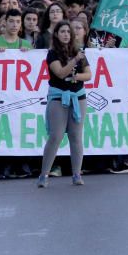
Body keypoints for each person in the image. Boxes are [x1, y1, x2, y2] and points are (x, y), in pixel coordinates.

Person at [38, 22, 91, 188]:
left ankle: (76, 173)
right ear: (56, 34)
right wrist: (75, 61)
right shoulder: (52, 54)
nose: (66, 34)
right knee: (56, 136)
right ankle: (44, 174)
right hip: (59, 97)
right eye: (62, 31)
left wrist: (77, 77)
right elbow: (60, 73)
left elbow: (88, 75)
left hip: (78, 97)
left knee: (76, 136)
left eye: (69, 31)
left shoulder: (79, 53)